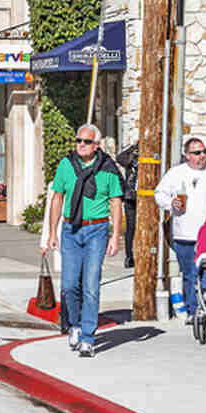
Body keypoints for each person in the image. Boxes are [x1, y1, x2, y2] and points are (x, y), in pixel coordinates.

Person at [45, 124, 123, 357]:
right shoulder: (66, 165)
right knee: (69, 285)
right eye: (78, 140)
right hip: (71, 229)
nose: (81, 144)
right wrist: (52, 232)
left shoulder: (108, 169)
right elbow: (57, 198)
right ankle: (76, 325)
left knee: (90, 285)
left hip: (97, 230)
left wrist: (115, 235)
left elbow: (116, 203)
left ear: (96, 145)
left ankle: (88, 337)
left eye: (86, 141)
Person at [153, 137, 206, 322]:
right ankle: (192, 311)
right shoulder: (176, 173)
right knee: (189, 274)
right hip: (184, 232)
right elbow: (159, 194)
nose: (202, 156)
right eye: (197, 153)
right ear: (188, 155)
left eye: (204, 152)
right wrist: (170, 203)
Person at [116, 142, 139, 268]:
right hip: (131, 195)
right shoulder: (132, 155)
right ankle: (129, 256)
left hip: (148, 196)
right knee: (131, 227)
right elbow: (120, 158)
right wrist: (134, 147)